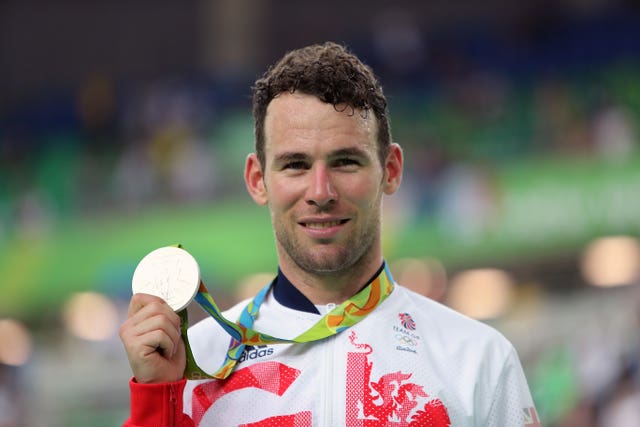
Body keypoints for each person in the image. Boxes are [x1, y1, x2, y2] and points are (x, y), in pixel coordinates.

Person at [119, 42, 539, 426]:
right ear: (257, 180)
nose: (320, 192)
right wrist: (158, 403)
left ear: (390, 170)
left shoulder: (477, 359)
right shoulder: (193, 360)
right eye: (295, 165)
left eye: (345, 162)